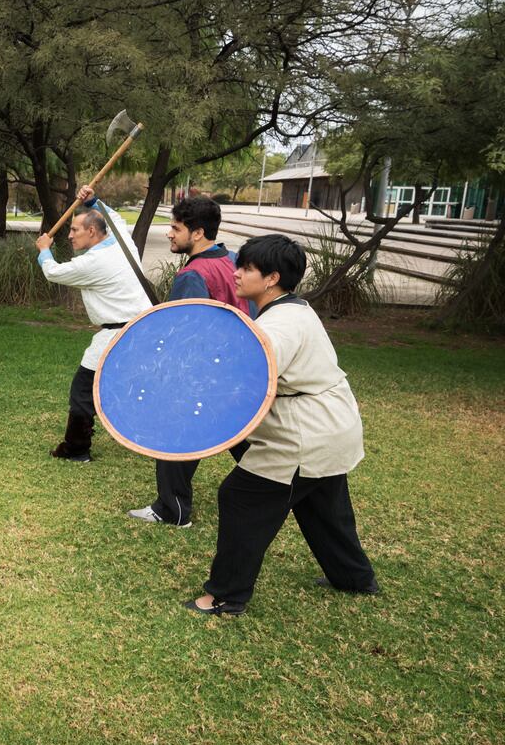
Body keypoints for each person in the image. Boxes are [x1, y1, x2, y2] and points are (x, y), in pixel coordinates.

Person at [185, 234, 378, 616]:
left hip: (306, 433)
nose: (236, 273)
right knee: (324, 504)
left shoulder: (281, 324)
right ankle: (354, 578)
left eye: (246, 269)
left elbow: (258, 365)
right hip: (332, 426)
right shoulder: (293, 310)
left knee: (241, 498)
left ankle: (225, 595)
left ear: (272, 278)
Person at [128, 196, 252, 527]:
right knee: (238, 433)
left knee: (175, 433)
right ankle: (279, 484)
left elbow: (184, 335)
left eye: (175, 228)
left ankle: (172, 510)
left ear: (197, 233)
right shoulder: (236, 261)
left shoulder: (193, 275)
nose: (169, 234)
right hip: (242, 370)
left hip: (205, 373)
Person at [37, 185, 149, 461]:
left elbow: (53, 273)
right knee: (142, 387)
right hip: (145, 328)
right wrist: (94, 200)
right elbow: (114, 218)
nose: (70, 235)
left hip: (117, 335)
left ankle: (76, 449)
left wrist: (44, 250)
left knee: (82, 391)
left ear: (92, 232)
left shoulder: (94, 263)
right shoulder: (122, 239)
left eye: (75, 230)